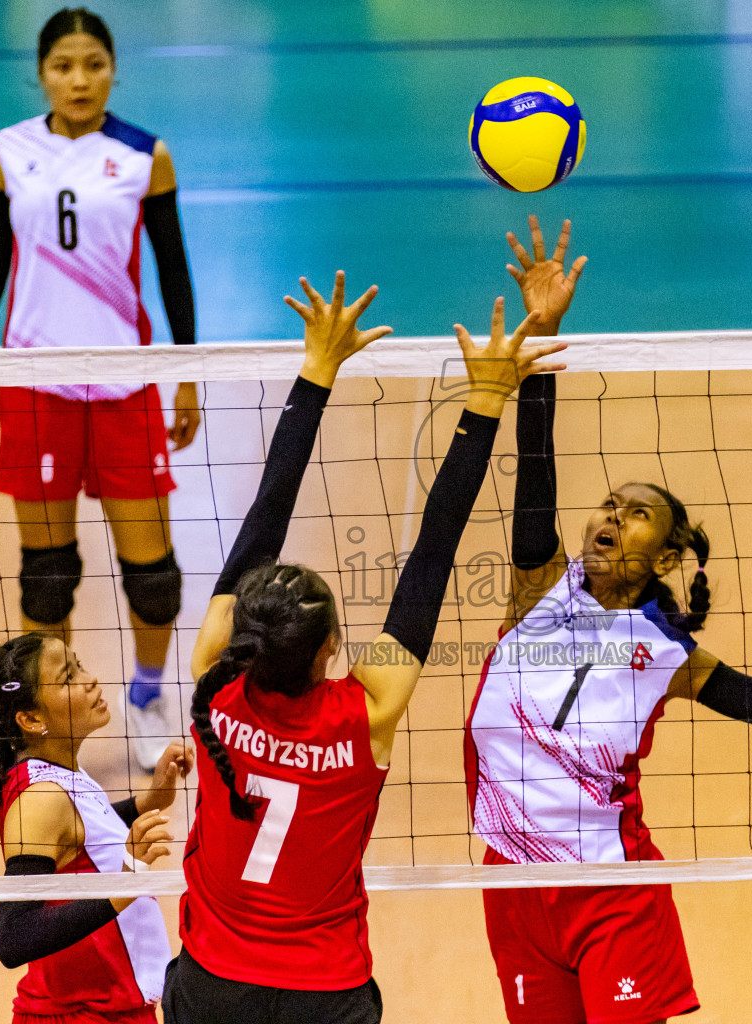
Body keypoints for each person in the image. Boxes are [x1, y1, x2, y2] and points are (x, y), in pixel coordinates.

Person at [465, 217, 752, 1024]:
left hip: (612, 895)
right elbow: (536, 463)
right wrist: (546, 341)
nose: (611, 518)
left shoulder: (668, 657)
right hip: (512, 885)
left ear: (666, 555)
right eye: (610, 506)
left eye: (636, 517)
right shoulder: (539, 593)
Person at [161, 271, 565, 1024]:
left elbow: (264, 514)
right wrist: (485, 402)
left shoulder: (213, 685)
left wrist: (315, 370)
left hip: (213, 982)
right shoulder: (364, 713)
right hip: (324, 995)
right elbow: (432, 556)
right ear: (327, 658)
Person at [0, 7, 200, 772]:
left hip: (124, 383)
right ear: (43, 73)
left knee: (151, 575)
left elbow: (173, 269)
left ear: (113, 68)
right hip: (34, 383)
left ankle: (150, 693)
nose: (80, 79)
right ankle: (49, 726)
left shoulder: (143, 156)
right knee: (48, 573)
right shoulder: (8, 151)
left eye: (94, 63)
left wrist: (186, 371)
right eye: (64, 65)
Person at [0, 631, 194, 1024]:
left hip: (109, 1007)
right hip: (79, 1015)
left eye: (79, 664)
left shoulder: (58, 769)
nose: (90, 679)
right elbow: (13, 938)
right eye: (68, 677)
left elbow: (82, 830)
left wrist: (147, 801)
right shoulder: (39, 800)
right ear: (31, 719)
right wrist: (124, 882)